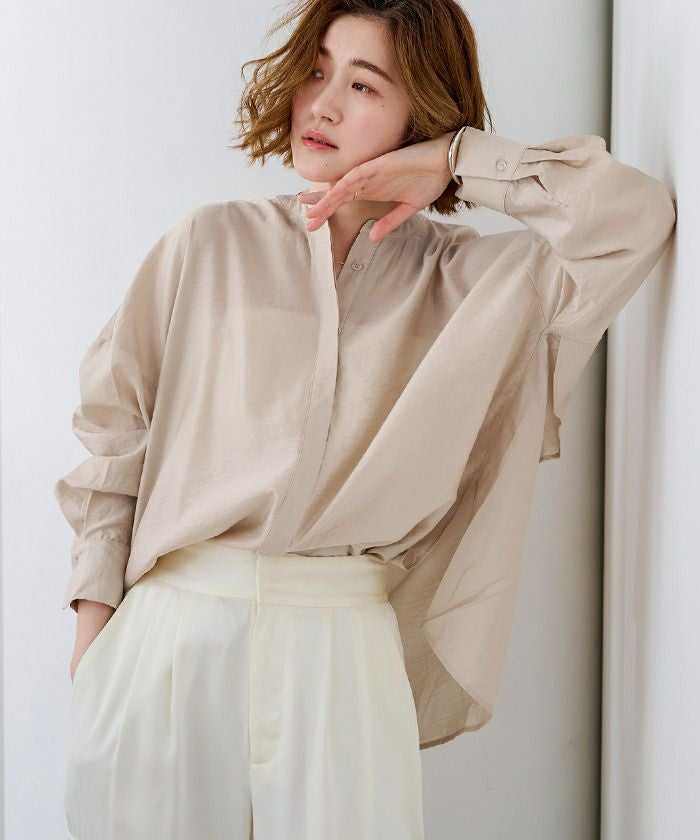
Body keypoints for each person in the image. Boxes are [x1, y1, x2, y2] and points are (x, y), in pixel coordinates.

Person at [55, 1, 677, 838]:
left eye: (364, 85)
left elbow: (633, 217)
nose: (323, 103)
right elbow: (115, 437)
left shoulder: (476, 286)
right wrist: (94, 645)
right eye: (316, 71)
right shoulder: (209, 244)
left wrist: (453, 163)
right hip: (170, 634)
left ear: (420, 111)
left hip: (342, 646)